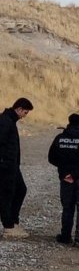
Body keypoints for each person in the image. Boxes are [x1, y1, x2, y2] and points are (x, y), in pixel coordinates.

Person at [48, 113, 79, 247]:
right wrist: (75, 174)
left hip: (65, 178)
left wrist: (65, 172)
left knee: (67, 208)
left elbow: (51, 157)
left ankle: (65, 236)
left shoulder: (59, 139)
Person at [0, 98, 33, 238]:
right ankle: (9, 227)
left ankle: (13, 222)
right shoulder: (5, 121)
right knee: (6, 195)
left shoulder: (10, 121)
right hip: (6, 166)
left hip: (12, 166)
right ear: (19, 109)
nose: (24, 116)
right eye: (25, 112)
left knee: (20, 190)